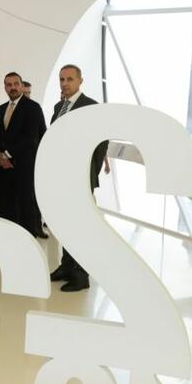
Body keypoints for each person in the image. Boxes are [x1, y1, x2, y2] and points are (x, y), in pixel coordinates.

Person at [48, 64, 109, 292]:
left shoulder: (90, 106)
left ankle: (81, 275)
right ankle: (66, 266)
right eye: (62, 79)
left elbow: (102, 142)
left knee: (80, 227)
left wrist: (90, 173)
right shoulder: (59, 106)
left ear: (80, 81)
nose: (65, 83)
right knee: (65, 224)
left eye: (70, 79)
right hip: (61, 177)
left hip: (80, 178)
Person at [0, 72, 47, 238]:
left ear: (22, 85)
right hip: (3, 169)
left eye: (16, 84)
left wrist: (6, 155)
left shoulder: (33, 107)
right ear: (5, 88)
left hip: (24, 167)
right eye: (9, 85)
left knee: (26, 207)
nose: (13, 87)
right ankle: (10, 241)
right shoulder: (1, 109)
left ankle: (29, 242)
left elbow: (31, 138)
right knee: (7, 207)